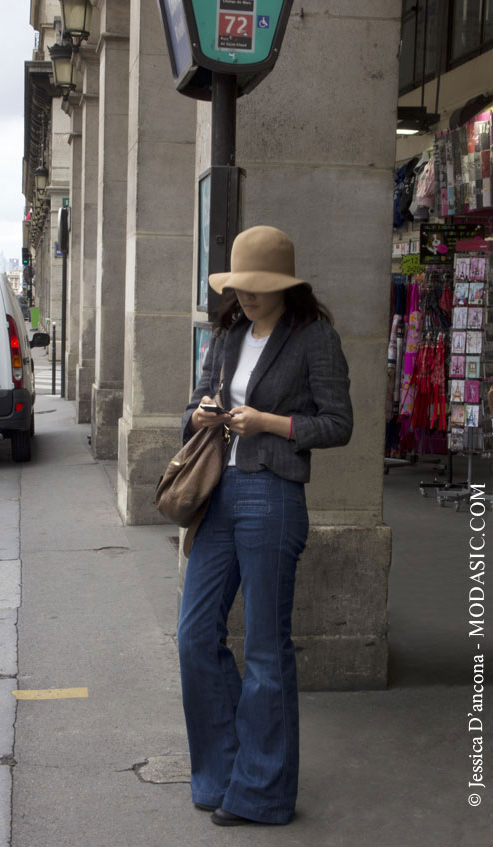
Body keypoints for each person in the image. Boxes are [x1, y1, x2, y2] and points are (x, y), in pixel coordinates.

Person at [177, 225, 353, 827]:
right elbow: (196, 400)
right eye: (239, 288)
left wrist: (270, 424)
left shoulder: (314, 338)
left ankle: (262, 793)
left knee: (265, 650)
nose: (245, 298)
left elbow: (338, 423)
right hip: (217, 495)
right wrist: (199, 414)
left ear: (284, 286)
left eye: (257, 289)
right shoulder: (226, 335)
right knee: (196, 637)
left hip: (272, 495)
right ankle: (222, 774)